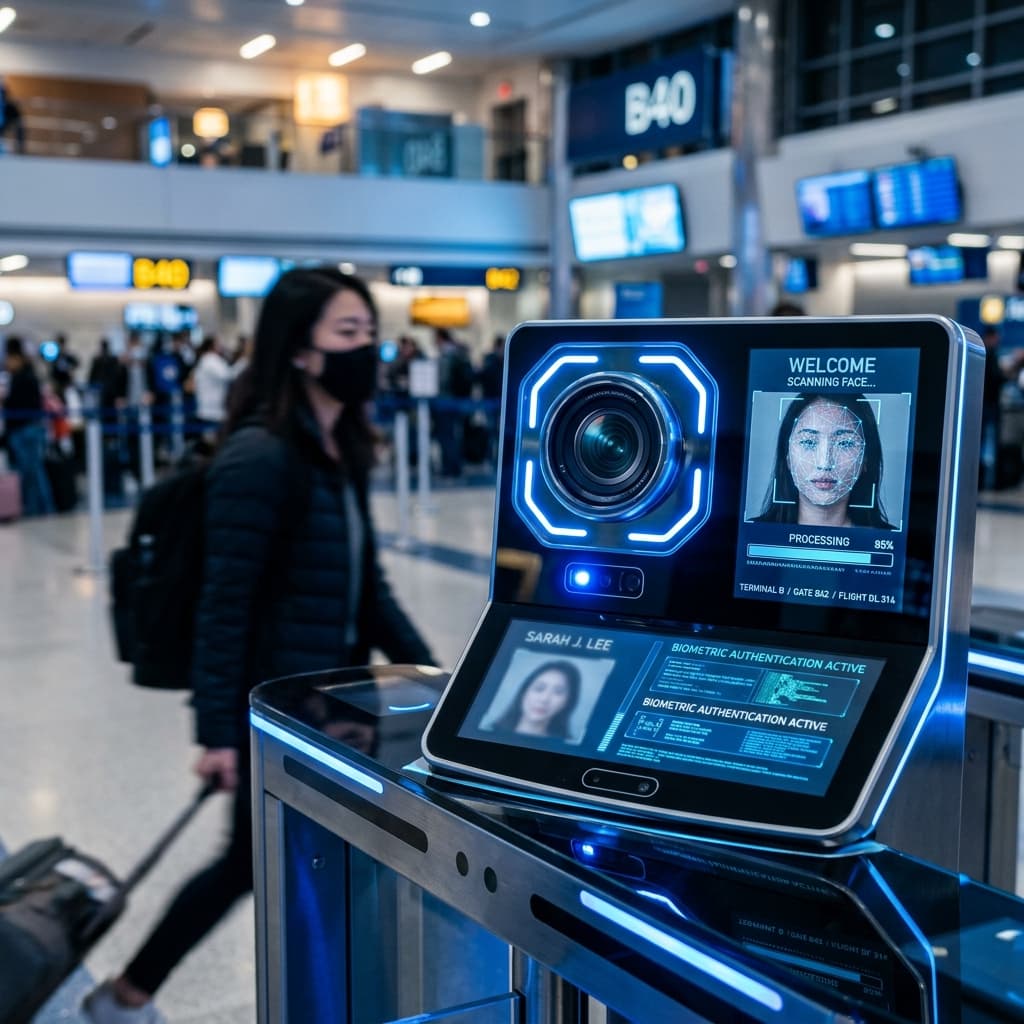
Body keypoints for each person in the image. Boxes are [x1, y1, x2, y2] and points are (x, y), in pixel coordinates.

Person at [83, 267, 435, 1024]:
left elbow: (368, 589)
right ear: (299, 351)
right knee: (249, 862)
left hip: (331, 705)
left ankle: (136, 996)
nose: (367, 349)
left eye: (371, 333)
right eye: (349, 334)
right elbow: (224, 607)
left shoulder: (339, 448)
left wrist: (443, 681)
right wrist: (217, 735)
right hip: (276, 708)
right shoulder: (262, 458)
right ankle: (126, 997)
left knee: (295, 858)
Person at [755, 392, 894, 529]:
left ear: (866, 460)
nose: (824, 464)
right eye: (808, 442)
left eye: (845, 443)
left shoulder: (891, 540)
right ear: (787, 457)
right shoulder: (754, 532)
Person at [2, 337, 54, 516]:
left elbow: (19, 402)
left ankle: (37, 509)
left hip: (26, 429)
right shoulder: (25, 375)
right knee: (32, 472)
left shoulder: (24, 377)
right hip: (26, 428)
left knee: (32, 472)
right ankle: (38, 508)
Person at [491, 661, 582, 740]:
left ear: (567, 702)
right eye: (539, 688)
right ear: (524, 692)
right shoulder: (490, 732)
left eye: (558, 692)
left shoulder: (567, 748)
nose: (544, 699)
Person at [191, 334, 236, 436]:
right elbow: (227, 375)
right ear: (212, 345)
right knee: (212, 440)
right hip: (213, 410)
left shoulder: (207, 359)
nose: (221, 346)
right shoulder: (210, 359)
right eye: (218, 344)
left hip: (211, 408)